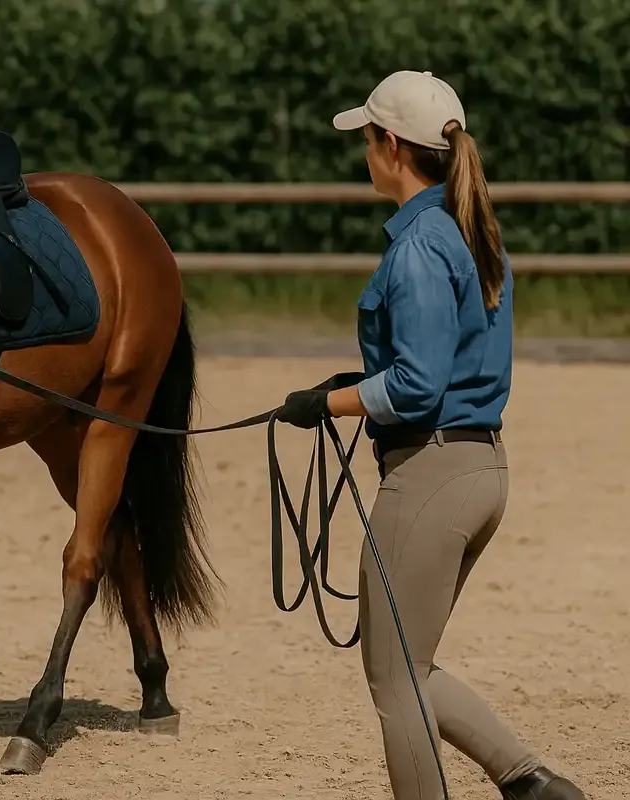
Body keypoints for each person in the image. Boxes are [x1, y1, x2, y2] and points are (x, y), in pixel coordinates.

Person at [274, 70, 586, 800]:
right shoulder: (471, 234)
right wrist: (342, 388)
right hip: (479, 470)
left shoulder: (417, 247)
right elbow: (440, 359)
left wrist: (333, 404)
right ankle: (532, 783)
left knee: (393, 680)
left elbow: (417, 384)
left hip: (431, 475)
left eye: (367, 141)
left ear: (390, 145)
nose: (365, 155)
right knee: (412, 665)